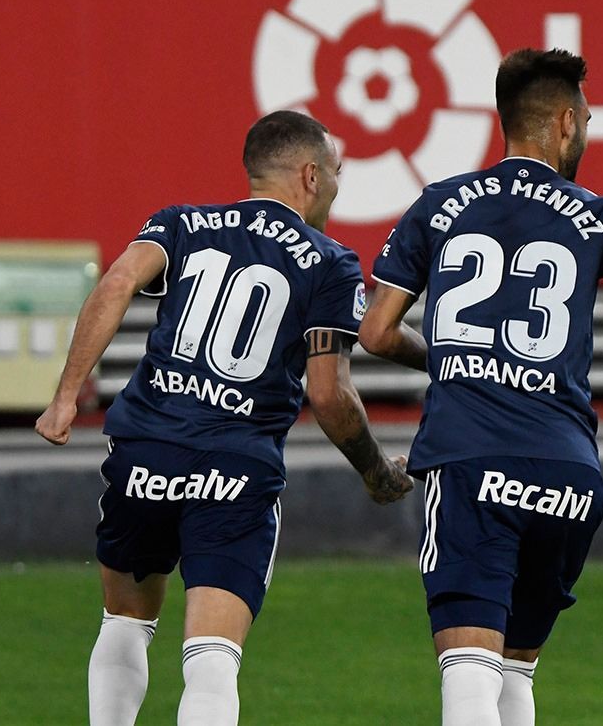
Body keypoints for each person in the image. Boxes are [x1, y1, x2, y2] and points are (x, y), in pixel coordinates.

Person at [35, 110, 413, 726]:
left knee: (124, 621)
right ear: (310, 176)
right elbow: (329, 393)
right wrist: (375, 471)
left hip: (145, 448)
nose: (337, 187)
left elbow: (117, 282)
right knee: (212, 657)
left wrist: (65, 396)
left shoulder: (182, 223)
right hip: (235, 465)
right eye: (337, 173)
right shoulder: (330, 263)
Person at [359, 48, 603, 726]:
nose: (587, 132)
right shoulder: (600, 213)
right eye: (587, 120)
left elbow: (375, 332)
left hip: (469, 461)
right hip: (566, 475)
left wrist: (452, 358)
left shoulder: (441, 203)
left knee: (469, 673)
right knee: (515, 668)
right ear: (565, 123)